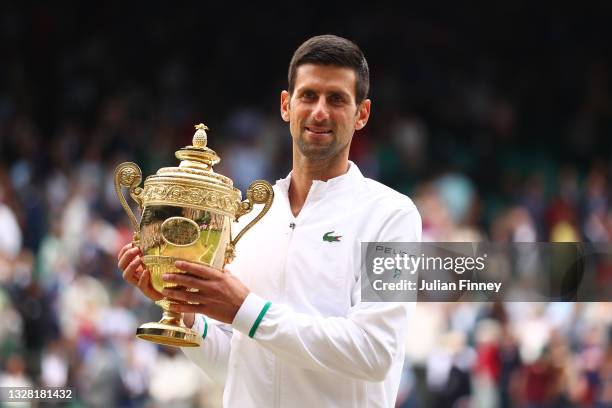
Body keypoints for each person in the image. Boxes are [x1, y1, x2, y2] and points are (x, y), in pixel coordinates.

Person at [117, 34, 421, 407]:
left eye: (337, 99)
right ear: (286, 105)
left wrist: (244, 309)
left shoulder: (393, 215)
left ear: (362, 114)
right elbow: (239, 366)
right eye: (308, 95)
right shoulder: (251, 215)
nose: (320, 111)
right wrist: (185, 315)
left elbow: (375, 352)